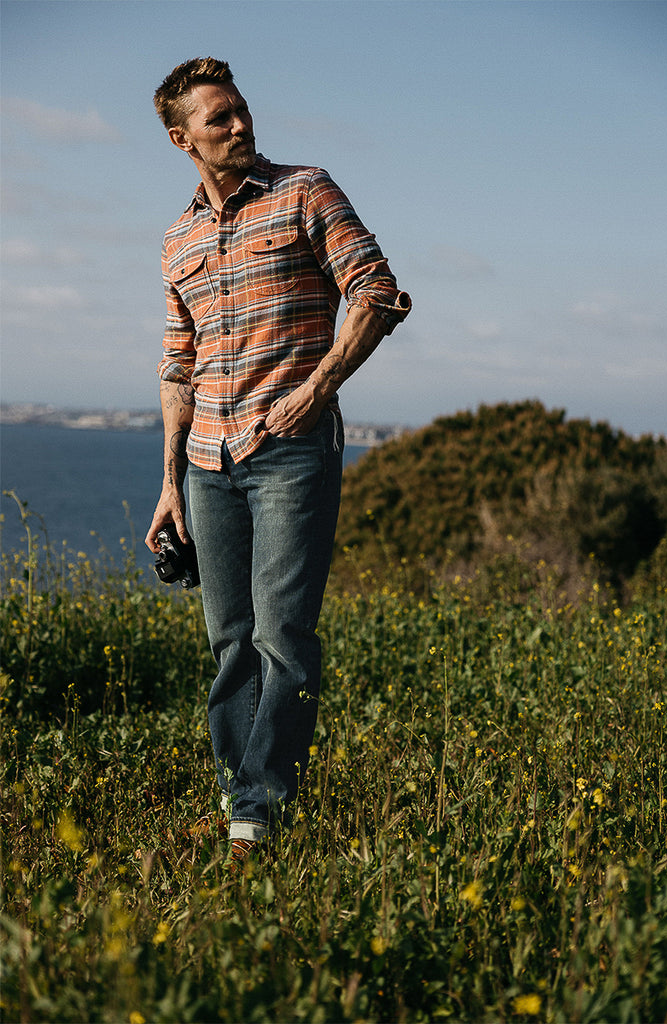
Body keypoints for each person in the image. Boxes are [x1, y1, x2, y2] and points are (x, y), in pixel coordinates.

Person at [145, 57, 410, 862]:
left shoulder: (304, 190)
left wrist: (318, 388)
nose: (239, 124)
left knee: (283, 639)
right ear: (182, 139)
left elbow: (376, 291)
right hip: (206, 461)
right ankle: (239, 802)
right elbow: (178, 366)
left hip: (291, 452)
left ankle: (258, 814)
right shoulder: (178, 237)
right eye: (218, 118)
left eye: (240, 109)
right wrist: (169, 486)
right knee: (230, 642)